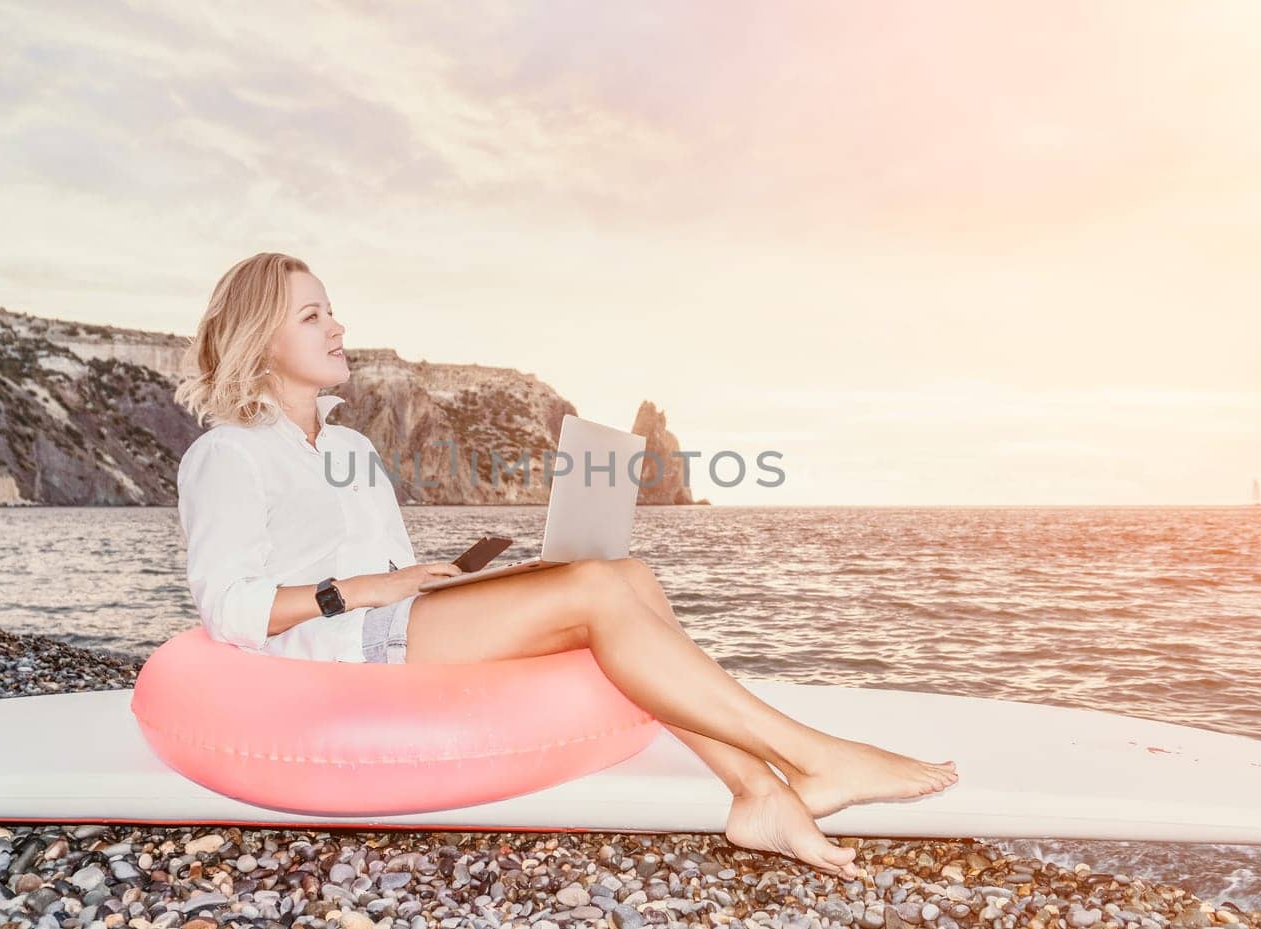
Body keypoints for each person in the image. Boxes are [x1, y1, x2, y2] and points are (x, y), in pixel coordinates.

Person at [173, 252, 958, 878]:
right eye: (314, 316)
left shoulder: (351, 448)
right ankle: (816, 757)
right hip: (343, 645)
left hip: (399, 618)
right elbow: (227, 605)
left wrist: (454, 578)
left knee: (626, 574)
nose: (339, 326)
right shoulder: (228, 456)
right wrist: (363, 589)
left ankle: (758, 796)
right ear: (261, 339)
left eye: (332, 309)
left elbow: (395, 574)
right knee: (592, 591)